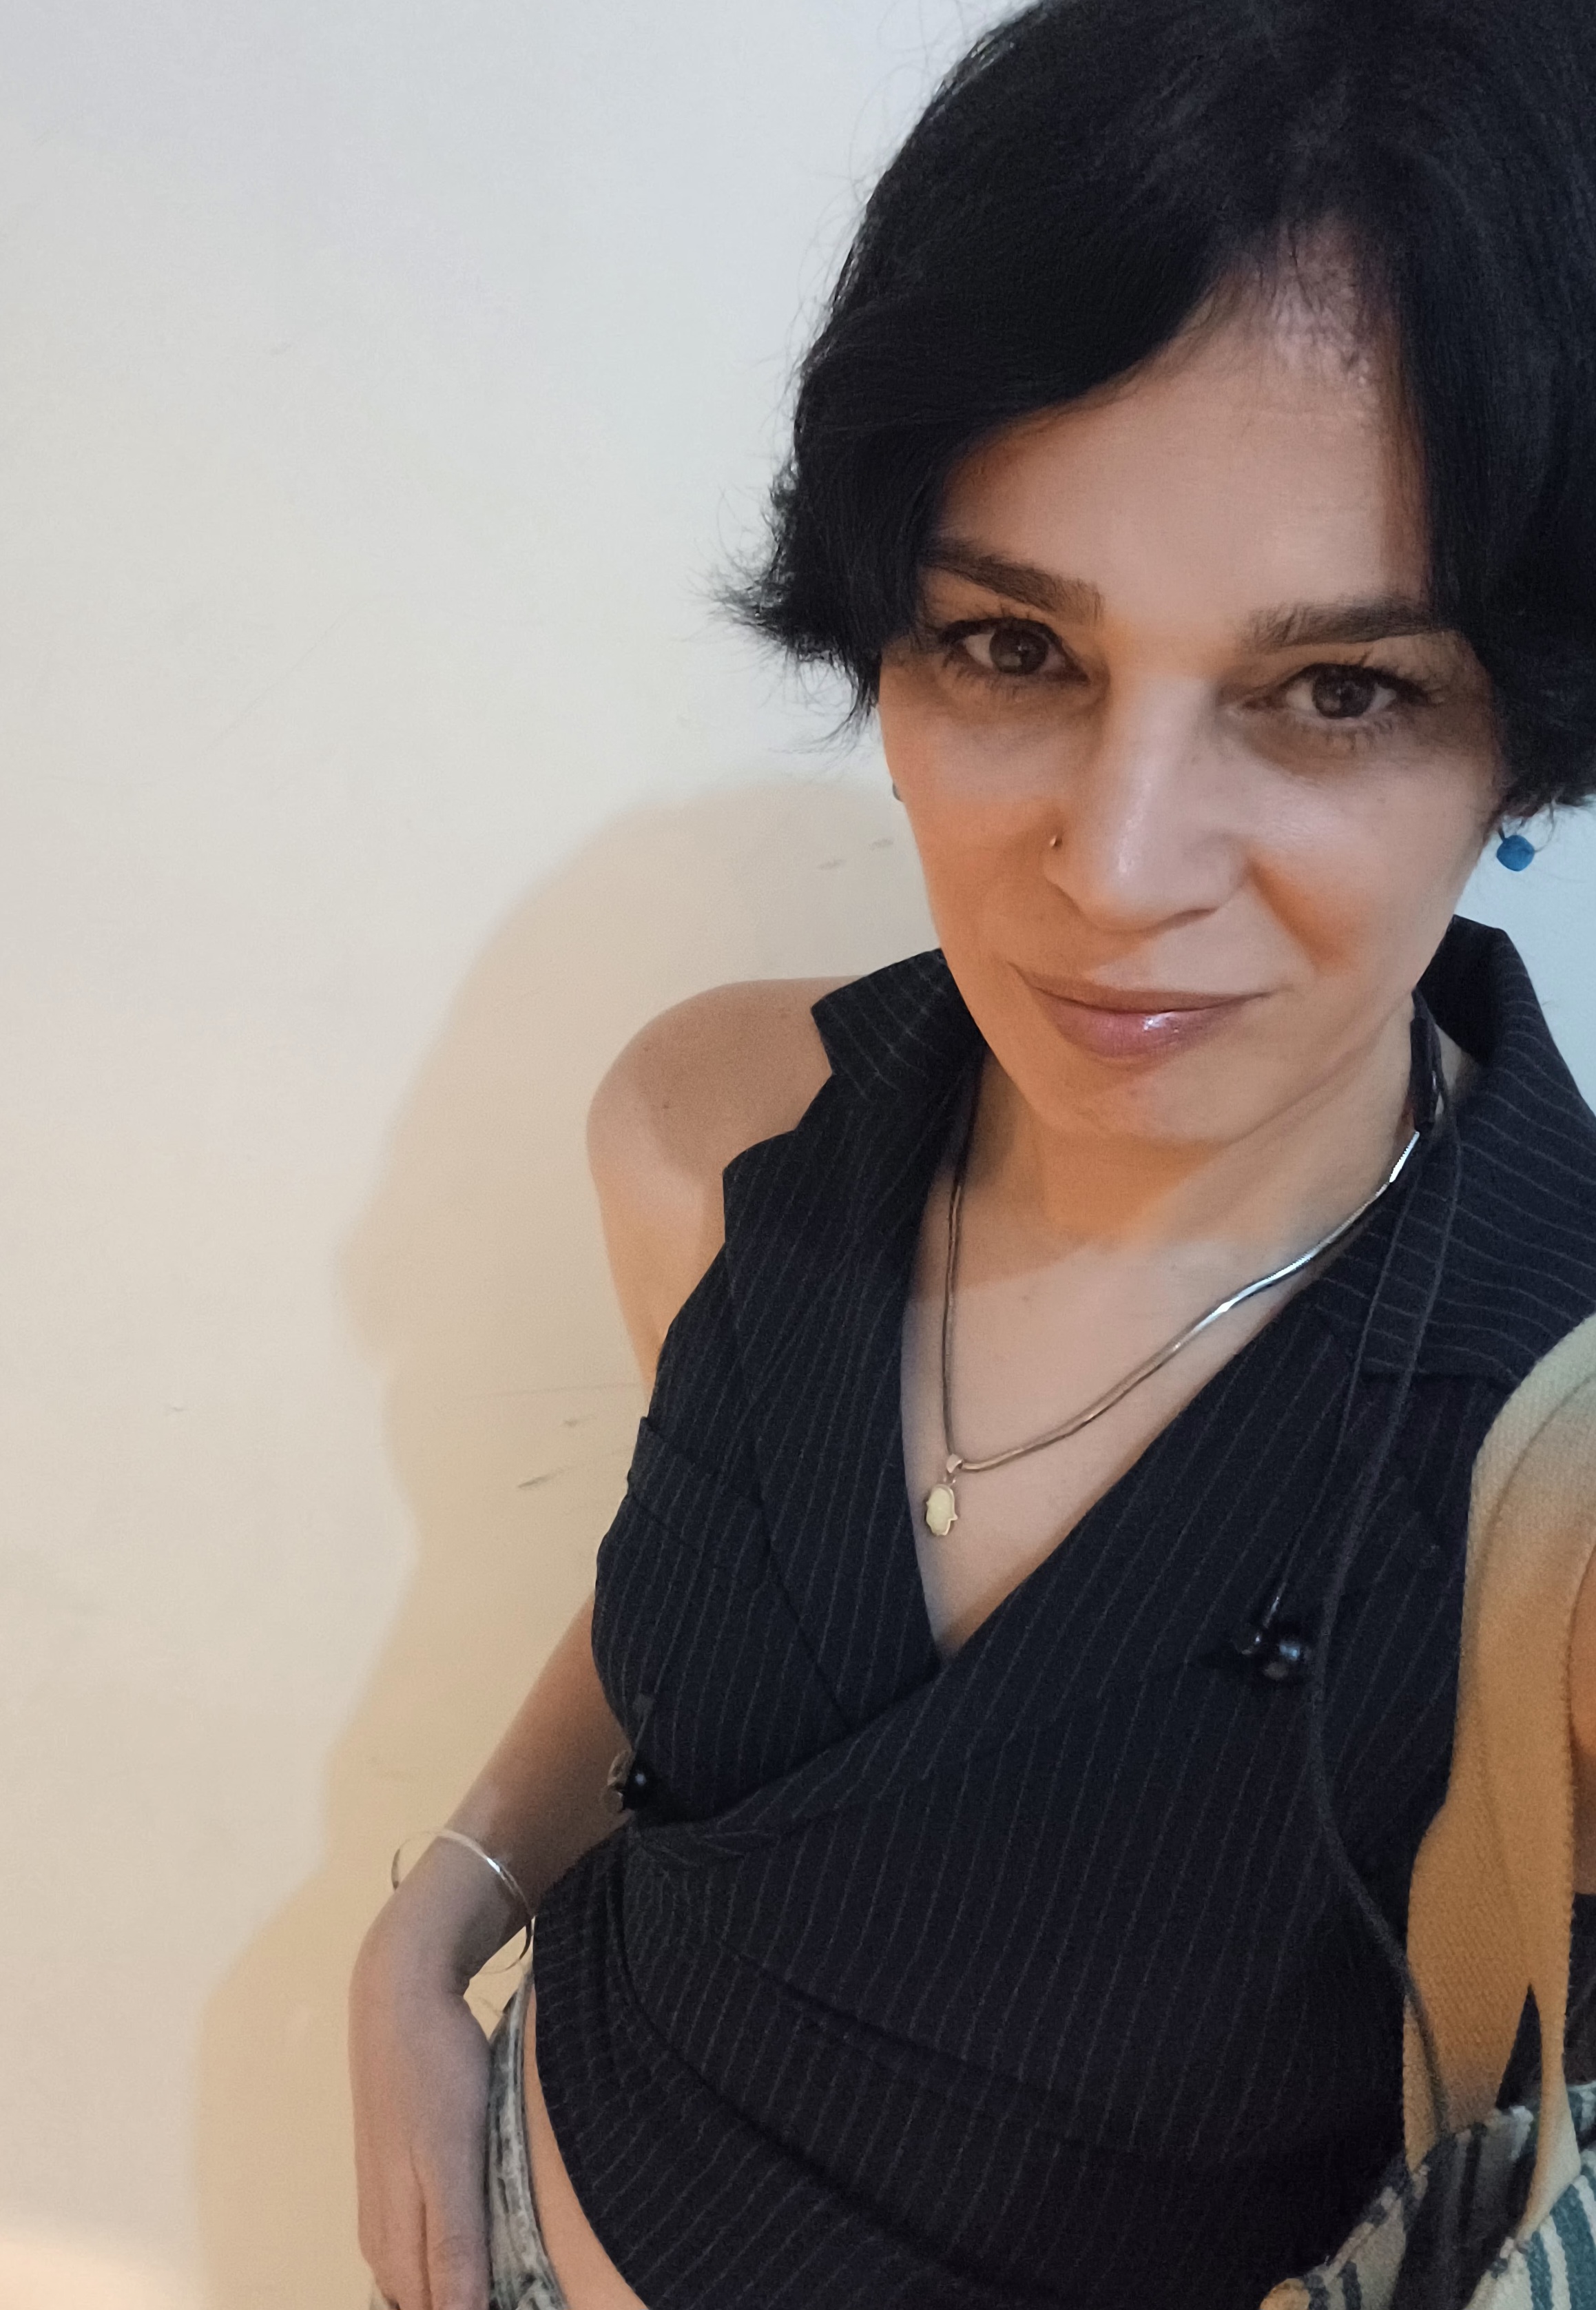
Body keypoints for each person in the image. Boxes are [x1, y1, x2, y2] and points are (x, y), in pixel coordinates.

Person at [348, 3, 1596, 2304]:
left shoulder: (1558, 1460)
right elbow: (697, 1609)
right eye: (1014, 645)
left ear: (1521, 731)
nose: (1116, 868)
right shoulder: (726, 1129)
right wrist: (429, 1925)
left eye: (1338, 690)